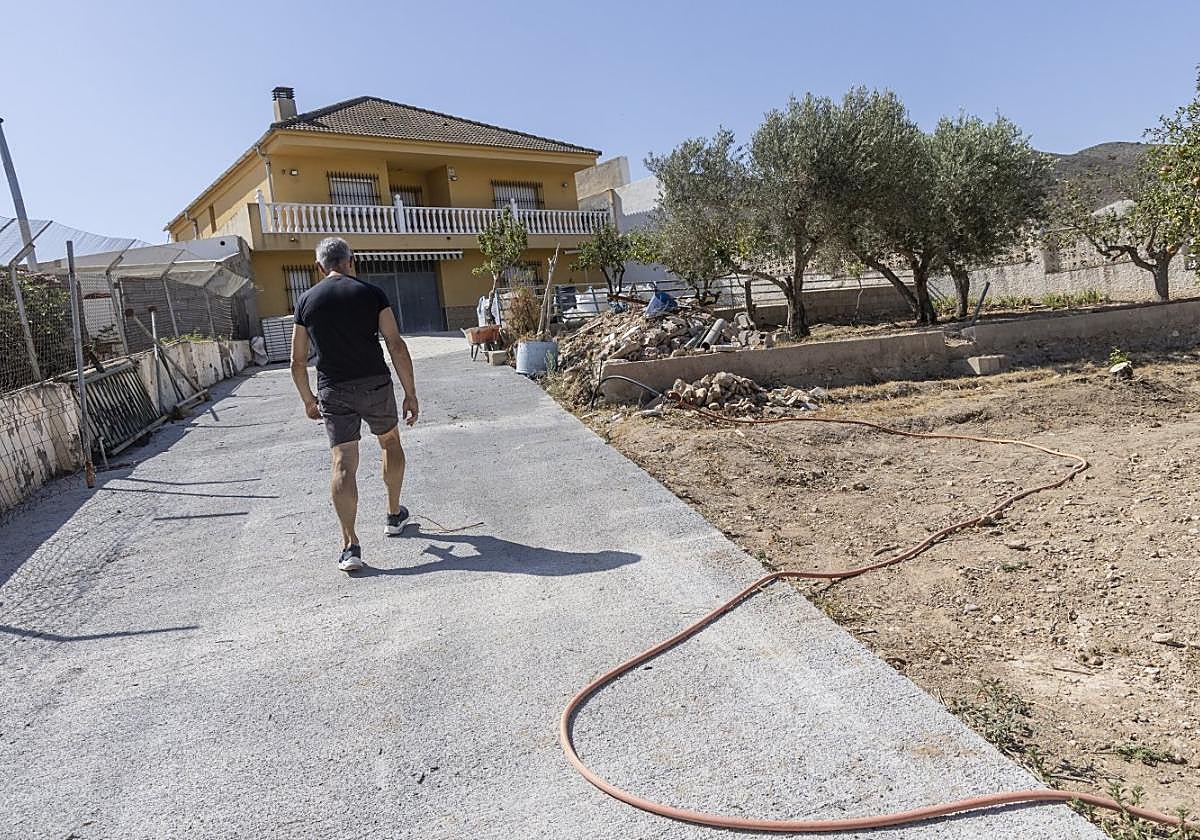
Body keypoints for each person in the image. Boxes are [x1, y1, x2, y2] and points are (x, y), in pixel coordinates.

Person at [289, 237, 419, 572]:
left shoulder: (306, 300)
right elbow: (395, 344)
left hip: (333, 389)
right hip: (375, 383)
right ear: (351, 261)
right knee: (390, 442)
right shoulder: (372, 293)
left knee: (343, 461)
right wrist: (410, 392)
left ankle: (350, 546)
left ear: (319, 267)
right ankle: (393, 515)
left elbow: (297, 361)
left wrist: (308, 399)